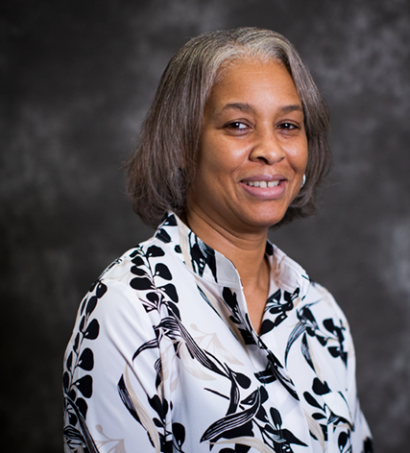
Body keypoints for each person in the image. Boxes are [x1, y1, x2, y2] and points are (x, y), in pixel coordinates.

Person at [63, 27, 373, 453]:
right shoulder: (131, 311)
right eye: (238, 125)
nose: (271, 150)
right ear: (181, 144)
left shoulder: (322, 316)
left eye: (287, 125)